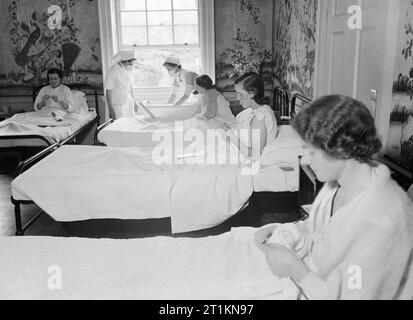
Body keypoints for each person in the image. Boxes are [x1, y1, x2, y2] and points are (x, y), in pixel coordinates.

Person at [254, 95, 413, 300]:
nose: (305, 162)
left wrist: (295, 270)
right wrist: (286, 230)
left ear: (342, 150)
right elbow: (322, 228)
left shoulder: (382, 221)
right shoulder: (337, 187)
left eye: (312, 152)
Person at [220, 72, 278, 160]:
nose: (237, 98)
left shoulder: (259, 119)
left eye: (240, 94)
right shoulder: (261, 109)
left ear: (252, 93)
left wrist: (230, 134)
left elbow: (255, 156)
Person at [105, 50, 138, 119]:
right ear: (125, 61)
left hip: (128, 103)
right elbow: (108, 92)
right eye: (130, 64)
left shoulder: (127, 69)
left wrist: (134, 102)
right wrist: (111, 110)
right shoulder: (113, 71)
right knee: (119, 126)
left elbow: (130, 88)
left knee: (130, 125)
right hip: (117, 105)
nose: (131, 66)